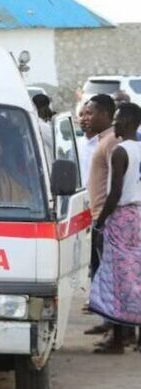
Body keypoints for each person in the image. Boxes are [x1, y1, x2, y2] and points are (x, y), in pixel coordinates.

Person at [88, 103, 141, 354]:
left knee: (117, 279)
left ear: (130, 123)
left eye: (118, 121)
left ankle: (118, 339)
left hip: (121, 216)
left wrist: (100, 222)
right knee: (136, 276)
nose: (115, 125)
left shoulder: (120, 151)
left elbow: (115, 193)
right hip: (138, 216)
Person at [85, 94, 119, 340]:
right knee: (99, 270)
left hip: (105, 216)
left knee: (110, 273)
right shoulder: (100, 141)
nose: (87, 117)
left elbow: (116, 184)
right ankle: (108, 321)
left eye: (92, 113)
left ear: (106, 115)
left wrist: (104, 217)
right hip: (95, 213)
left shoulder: (112, 142)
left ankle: (117, 328)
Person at [77, 102, 98, 186]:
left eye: (88, 114)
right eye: (81, 115)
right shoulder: (76, 144)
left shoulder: (104, 143)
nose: (84, 118)